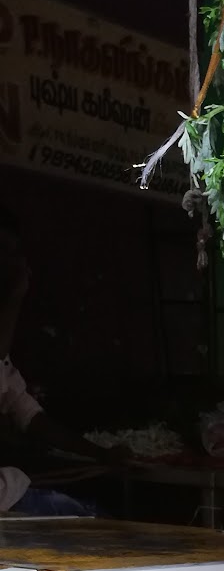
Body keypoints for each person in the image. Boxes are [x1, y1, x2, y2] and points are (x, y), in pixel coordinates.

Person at [0, 206, 119, 516]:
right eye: (5, 255)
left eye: (15, 255)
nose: (16, 265)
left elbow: (30, 416)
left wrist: (101, 454)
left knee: (90, 515)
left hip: (9, 491)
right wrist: (15, 296)